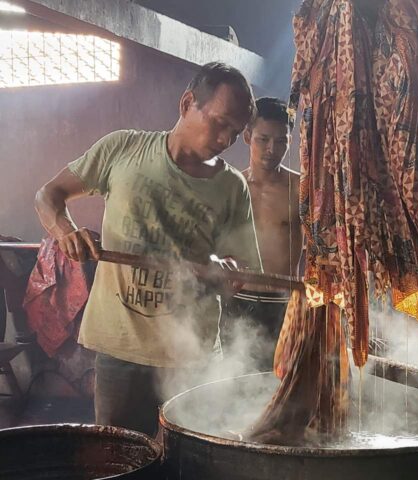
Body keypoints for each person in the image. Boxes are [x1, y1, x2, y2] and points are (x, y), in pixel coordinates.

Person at [34, 62, 263, 436]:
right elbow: (48, 195)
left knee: (194, 464)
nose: (225, 139)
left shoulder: (231, 186)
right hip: (121, 350)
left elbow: (243, 266)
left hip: (194, 357)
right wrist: (64, 231)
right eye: (220, 123)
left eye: (235, 133)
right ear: (187, 103)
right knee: (122, 460)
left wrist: (228, 269)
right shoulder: (123, 148)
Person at [219, 97, 302, 371]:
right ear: (247, 136)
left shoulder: (301, 189)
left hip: (285, 303)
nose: (271, 149)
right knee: (237, 388)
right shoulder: (231, 188)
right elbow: (209, 245)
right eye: (263, 139)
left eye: (281, 141)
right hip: (238, 304)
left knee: (285, 389)